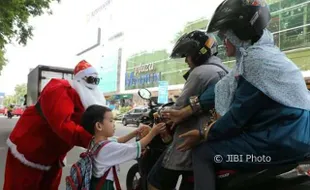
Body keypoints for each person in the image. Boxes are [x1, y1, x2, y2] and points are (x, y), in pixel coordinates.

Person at [164, 0, 310, 190]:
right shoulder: (263, 55)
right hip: (295, 134)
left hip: (280, 141)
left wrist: (203, 134)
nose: (224, 40)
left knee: (202, 153)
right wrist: (189, 109)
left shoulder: (254, 63)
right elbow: (223, 87)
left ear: (239, 33)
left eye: (227, 34)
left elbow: (236, 118)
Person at [4, 60, 106, 190]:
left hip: (54, 154)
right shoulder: (61, 89)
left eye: (97, 80)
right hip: (31, 147)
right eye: (91, 79)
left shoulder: (87, 98)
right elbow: (63, 124)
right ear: (80, 78)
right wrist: (93, 141)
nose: (94, 83)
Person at [147, 30, 229, 190]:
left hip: (189, 140)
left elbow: (178, 109)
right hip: (214, 137)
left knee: (154, 180)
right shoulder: (224, 70)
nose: (185, 60)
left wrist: (162, 113)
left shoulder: (200, 73)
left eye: (187, 55)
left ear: (198, 54)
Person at [80, 104, 166, 189]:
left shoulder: (95, 141)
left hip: (95, 184)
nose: (114, 124)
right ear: (99, 126)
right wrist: (154, 132)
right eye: (110, 121)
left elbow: (118, 140)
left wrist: (135, 133)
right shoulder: (107, 148)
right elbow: (136, 146)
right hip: (104, 186)